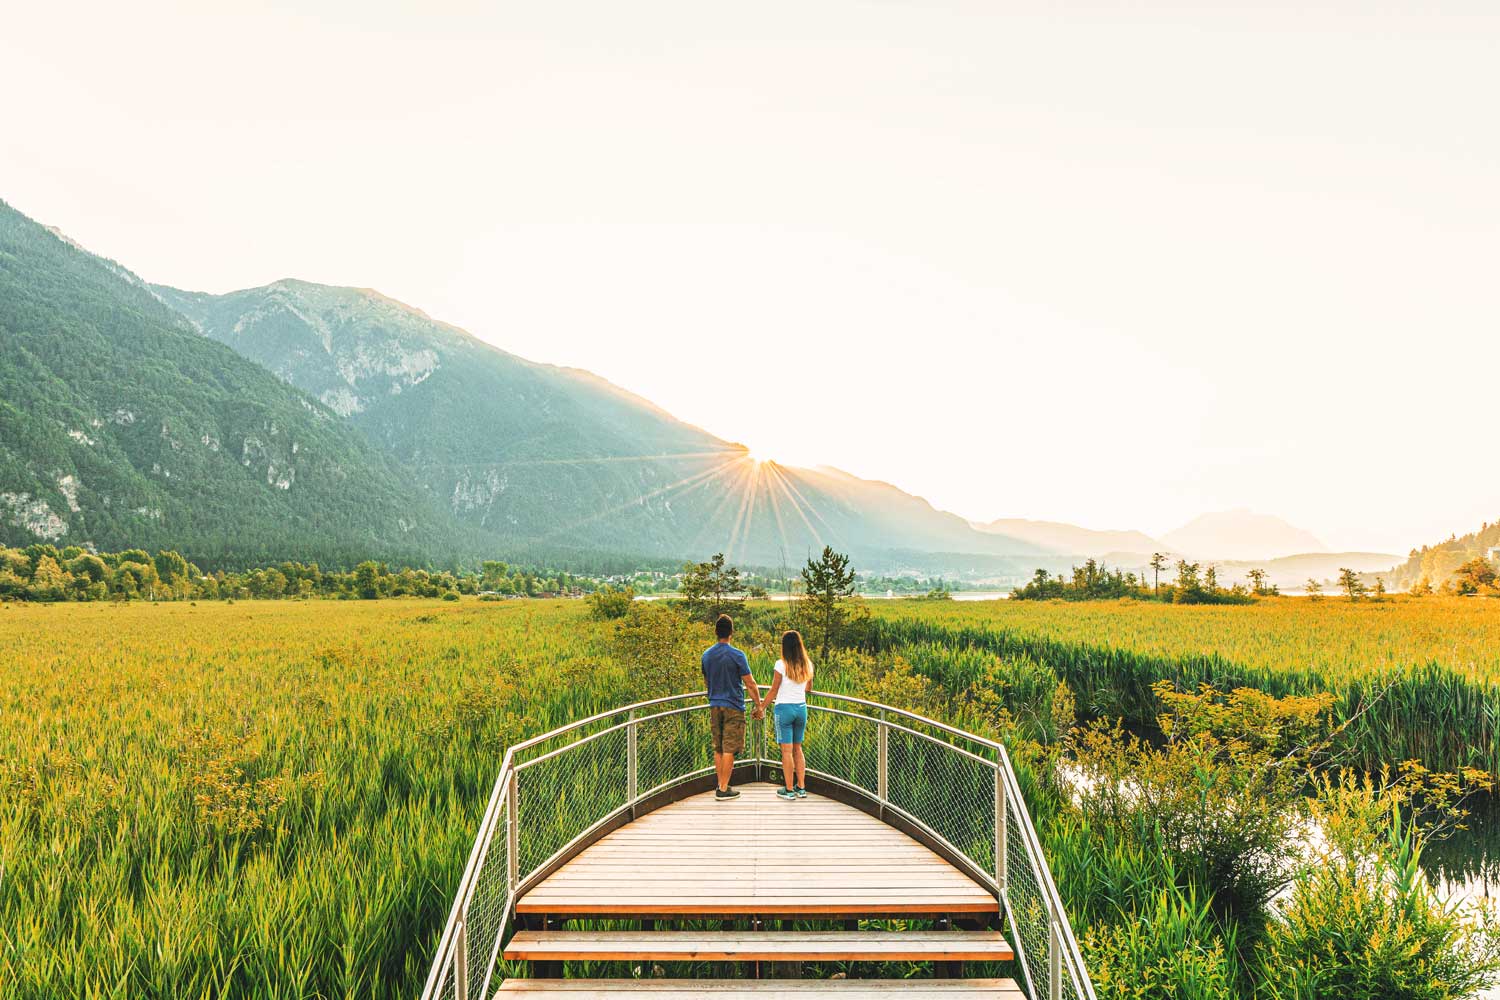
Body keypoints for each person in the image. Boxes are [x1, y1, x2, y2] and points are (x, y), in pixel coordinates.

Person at [701, 614, 764, 800]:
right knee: (729, 748)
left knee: (718, 747)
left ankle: (721, 784)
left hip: (714, 705)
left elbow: (707, 680)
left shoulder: (706, 655)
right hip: (733, 706)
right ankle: (723, 788)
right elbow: (750, 683)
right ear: (731, 633)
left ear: (715, 632)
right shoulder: (737, 655)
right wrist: (759, 706)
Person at [763, 629, 813, 800]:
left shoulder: (780, 664)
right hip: (801, 709)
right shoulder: (807, 664)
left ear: (784, 646)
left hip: (784, 710)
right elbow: (809, 688)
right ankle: (801, 787)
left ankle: (789, 790)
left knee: (786, 751)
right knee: (798, 748)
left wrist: (761, 707)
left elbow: (774, 690)